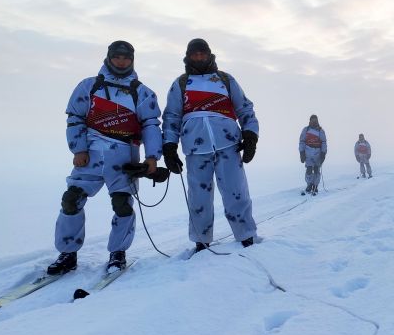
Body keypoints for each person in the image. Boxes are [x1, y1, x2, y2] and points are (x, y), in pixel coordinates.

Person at [47, 41, 163, 275]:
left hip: (123, 157)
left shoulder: (143, 92)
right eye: (117, 57)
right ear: (109, 58)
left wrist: (152, 157)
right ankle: (68, 253)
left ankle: (117, 253)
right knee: (71, 200)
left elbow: (151, 125)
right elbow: (75, 118)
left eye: (126, 58)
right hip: (90, 155)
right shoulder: (89, 86)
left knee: (122, 205)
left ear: (132, 60)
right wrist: (78, 149)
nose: (121, 61)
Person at [161, 39, 259, 250]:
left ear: (209, 55)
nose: (198, 57)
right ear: (188, 56)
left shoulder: (225, 79)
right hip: (196, 149)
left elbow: (245, 109)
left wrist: (250, 135)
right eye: (194, 54)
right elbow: (171, 117)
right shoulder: (181, 83)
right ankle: (201, 240)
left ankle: (246, 235)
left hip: (229, 144)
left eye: (202, 54)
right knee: (199, 197)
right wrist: (169, 147)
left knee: (236, 192)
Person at [299, 114, 327, 194]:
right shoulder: (306, 130)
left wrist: (323, 153)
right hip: (308, 153)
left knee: (316, 170)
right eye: (313, 120)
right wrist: (302, 152)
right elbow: (302, 141)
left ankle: (315, 185)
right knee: (309, 169)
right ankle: (309, 184)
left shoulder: (320, 131)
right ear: (310, 121)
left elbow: (324, 143)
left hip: (318, 153)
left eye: (315, 120)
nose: (314, 122)